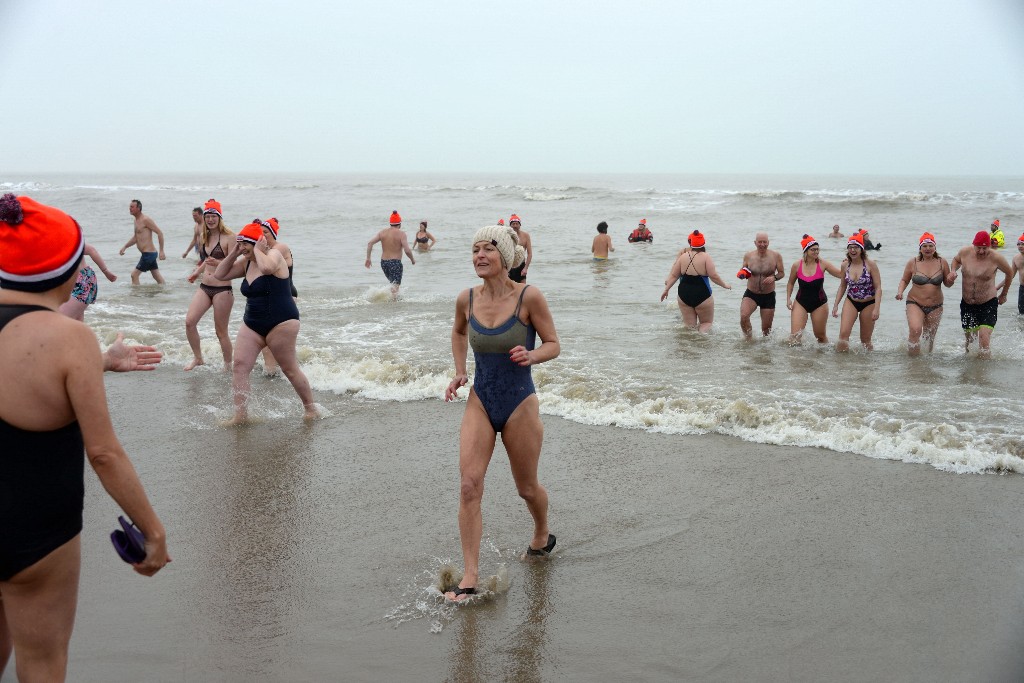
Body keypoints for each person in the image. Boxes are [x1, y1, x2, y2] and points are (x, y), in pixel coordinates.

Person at [0, 194, 169, 683]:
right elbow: (103, 452)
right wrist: (152, 530)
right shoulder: (69, 339)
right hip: (37, 535)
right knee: (42, 663)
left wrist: (105, 363)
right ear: (70, 273)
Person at [443, 225, 560, 601]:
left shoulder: (530, 297)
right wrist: (460, 370)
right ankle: (471, 576)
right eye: (475, 249)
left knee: (526, 488)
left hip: (519, 402)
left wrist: (533, 354)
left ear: (506, 257)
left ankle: (542, 532)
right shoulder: (467, 298)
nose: (480, 255)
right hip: (481, 398)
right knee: (468, 485)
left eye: (489, 249)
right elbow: (459, 333)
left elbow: (554, 344)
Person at [213, 223, 319, 423]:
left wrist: (257, 249)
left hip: (282, 322)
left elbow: (267, 268)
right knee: (240, 366)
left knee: (289, 369)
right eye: (240, 244)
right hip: (252, 323)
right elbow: (220, 274)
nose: (242, 247)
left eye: (245, 244)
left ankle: (310, 409)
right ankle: (241, 416)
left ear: (256, 243)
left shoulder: (274, 256)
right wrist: (234, 253)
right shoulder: (246, 262)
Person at [184, 199, 234, 371]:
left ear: (219, 217)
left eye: (214, 216)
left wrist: (219, 262)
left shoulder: (230, 237)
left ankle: (228, 366)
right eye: (208, 216)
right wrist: (197, 272)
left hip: (223, 289)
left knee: (221, 332)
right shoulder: (205, 236)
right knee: (190, 322)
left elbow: (237, 264)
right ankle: (198, 358)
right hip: (205, 287)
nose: (210, 219)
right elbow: (207, 260)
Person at [948, 230, 1014, 357]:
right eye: (979, 248)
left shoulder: (996, 258)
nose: (982, 251)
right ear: (974, 245)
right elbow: (956, 260)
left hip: (988, 303)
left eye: (985, 248)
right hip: (967, 304)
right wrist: (953, 271)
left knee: (984, 341)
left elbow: (1009, 273)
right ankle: (970, 372)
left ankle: (983, 375)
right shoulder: (964, 252)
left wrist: (1004, 294)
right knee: (969, 343)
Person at [660, 230, 731, 332]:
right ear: (703, 243)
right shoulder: (706, 257)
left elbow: (674, 275)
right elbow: (713, 276)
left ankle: (689, 346)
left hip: (684, 294)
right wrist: (725, 285)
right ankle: (700, 344)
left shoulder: (683, 256)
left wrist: (666, 290)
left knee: (689, 327)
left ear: (691, 243)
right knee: (706, 323)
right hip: (702, 293)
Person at [894, 232, 952, 355]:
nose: (928, 248)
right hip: (915, 302)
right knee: (915, 330)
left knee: (929, 336)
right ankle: (913, 361)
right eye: (924, 246)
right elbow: (905, 280)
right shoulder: (913, 262)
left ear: (935, 247)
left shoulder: (942, 262)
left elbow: (947, 283)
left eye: (930, 245)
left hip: (936, 305)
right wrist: (900, 292)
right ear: (920, 248)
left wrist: (951, 279)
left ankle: (925, 365)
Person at [255, 217, 297, 375]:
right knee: (270, 336)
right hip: (272, 296)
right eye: (260, 233)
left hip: (287, 295)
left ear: (273, 233)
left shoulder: (280, 248)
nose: (263, 236)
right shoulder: (264, 250)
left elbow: (266, 267)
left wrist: (256, 251)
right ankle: (275, 368)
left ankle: (271, 371)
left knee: (271, 336)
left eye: (266, 232)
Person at [785, 234, 842, 344]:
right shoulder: (797, 265)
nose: (816, 252)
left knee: (820, 336)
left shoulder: (823, 264)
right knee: (795, 337)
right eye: (813, 250)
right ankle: (795, 360)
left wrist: (847, 264)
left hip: (819, 303)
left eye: (817, 249)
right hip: (801, 302)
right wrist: (788, 299)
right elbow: (790, 283)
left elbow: (840, 274)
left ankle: (823, 359)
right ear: (806, 251)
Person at [832, 233, 883, 351]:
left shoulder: (870, 264)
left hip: (869, 303)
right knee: (843, 336)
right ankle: (841, 365)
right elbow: (842, 286)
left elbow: (878, 287)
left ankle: (866, 366)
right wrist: (836, 305)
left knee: (865, 339)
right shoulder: (845, 265)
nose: (853, 250)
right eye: (850, 247)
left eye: (856, 247)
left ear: (861, 249)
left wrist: (877, 308)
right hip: (851, 300)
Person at [736, 232, 785, 337]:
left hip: (768, 295)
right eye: (760, 242)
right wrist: (742, 274)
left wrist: (774, 278)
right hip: (751, 294)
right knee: (744, 316)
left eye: (765, 242)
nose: (762, 244)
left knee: (766, 331)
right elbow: (743, 270)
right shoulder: (748, 256)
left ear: (768, 242)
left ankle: (764, 351)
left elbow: (781, 273)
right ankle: (749, 340)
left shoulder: (776, 256)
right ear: (755, 243)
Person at [59, 244, 117, 321]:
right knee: (76, 321)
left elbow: (91, 250)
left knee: (60, 317)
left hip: (83, 281)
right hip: (71, 283)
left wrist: (105, 271)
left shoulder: (66, 236)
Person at [365, 210, 416, 298]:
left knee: (393, 284)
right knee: (395, 287)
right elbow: (407, 250)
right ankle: (394, 306)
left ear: (390, 223)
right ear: (399, 224)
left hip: (384, 263)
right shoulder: (401, 234)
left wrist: (368, 258)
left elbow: (370, 243)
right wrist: (412, 259)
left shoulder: (382, 232)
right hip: (395, 263)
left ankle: (389, 302)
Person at [119, 199, 166, 284]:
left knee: (134, 275)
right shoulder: (136, 220)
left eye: (132, 207)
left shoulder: (145, 219)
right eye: (129, 207)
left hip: (149, 254)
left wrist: (162, 251)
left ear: (138, 208)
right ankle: (165, 292)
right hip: (147, 254)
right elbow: (135, 238)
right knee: (156, 275)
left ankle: (136, 296)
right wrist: (125, 247)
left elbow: (160, 233)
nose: (130, 208)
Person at [508, 214, 532, 282]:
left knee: (522, 289)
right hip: (510, 265)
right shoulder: (507, 235)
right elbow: (502, 252)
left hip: (521, 265)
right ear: (510, 225)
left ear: (520, 224)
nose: (515, 226)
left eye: (517, 224)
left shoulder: (526, 235)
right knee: (509, 289)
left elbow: (529, 254)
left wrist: (525, 268)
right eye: (513, 224)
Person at [1007, 234, 1024, 314]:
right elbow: (1011, 275)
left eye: (1023, 244)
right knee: (1021, 313)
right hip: (1022, 289)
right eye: (1018, 244)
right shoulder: (1016, 258)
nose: (1020, 246)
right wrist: (998, 287)